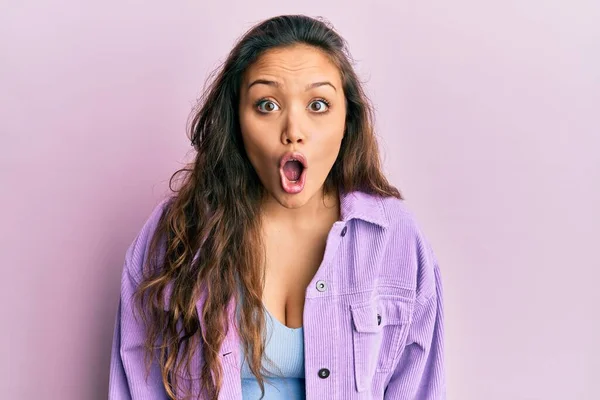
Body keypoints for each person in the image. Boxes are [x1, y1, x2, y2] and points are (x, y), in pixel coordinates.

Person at [108, 14, 445, 400]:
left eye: (318, 104)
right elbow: (136, 383)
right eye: (266, 104)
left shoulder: (393, 237)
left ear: (347, 121)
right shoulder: (180, 231)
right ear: (235, 119)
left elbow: (419, 388)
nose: (293, 131)